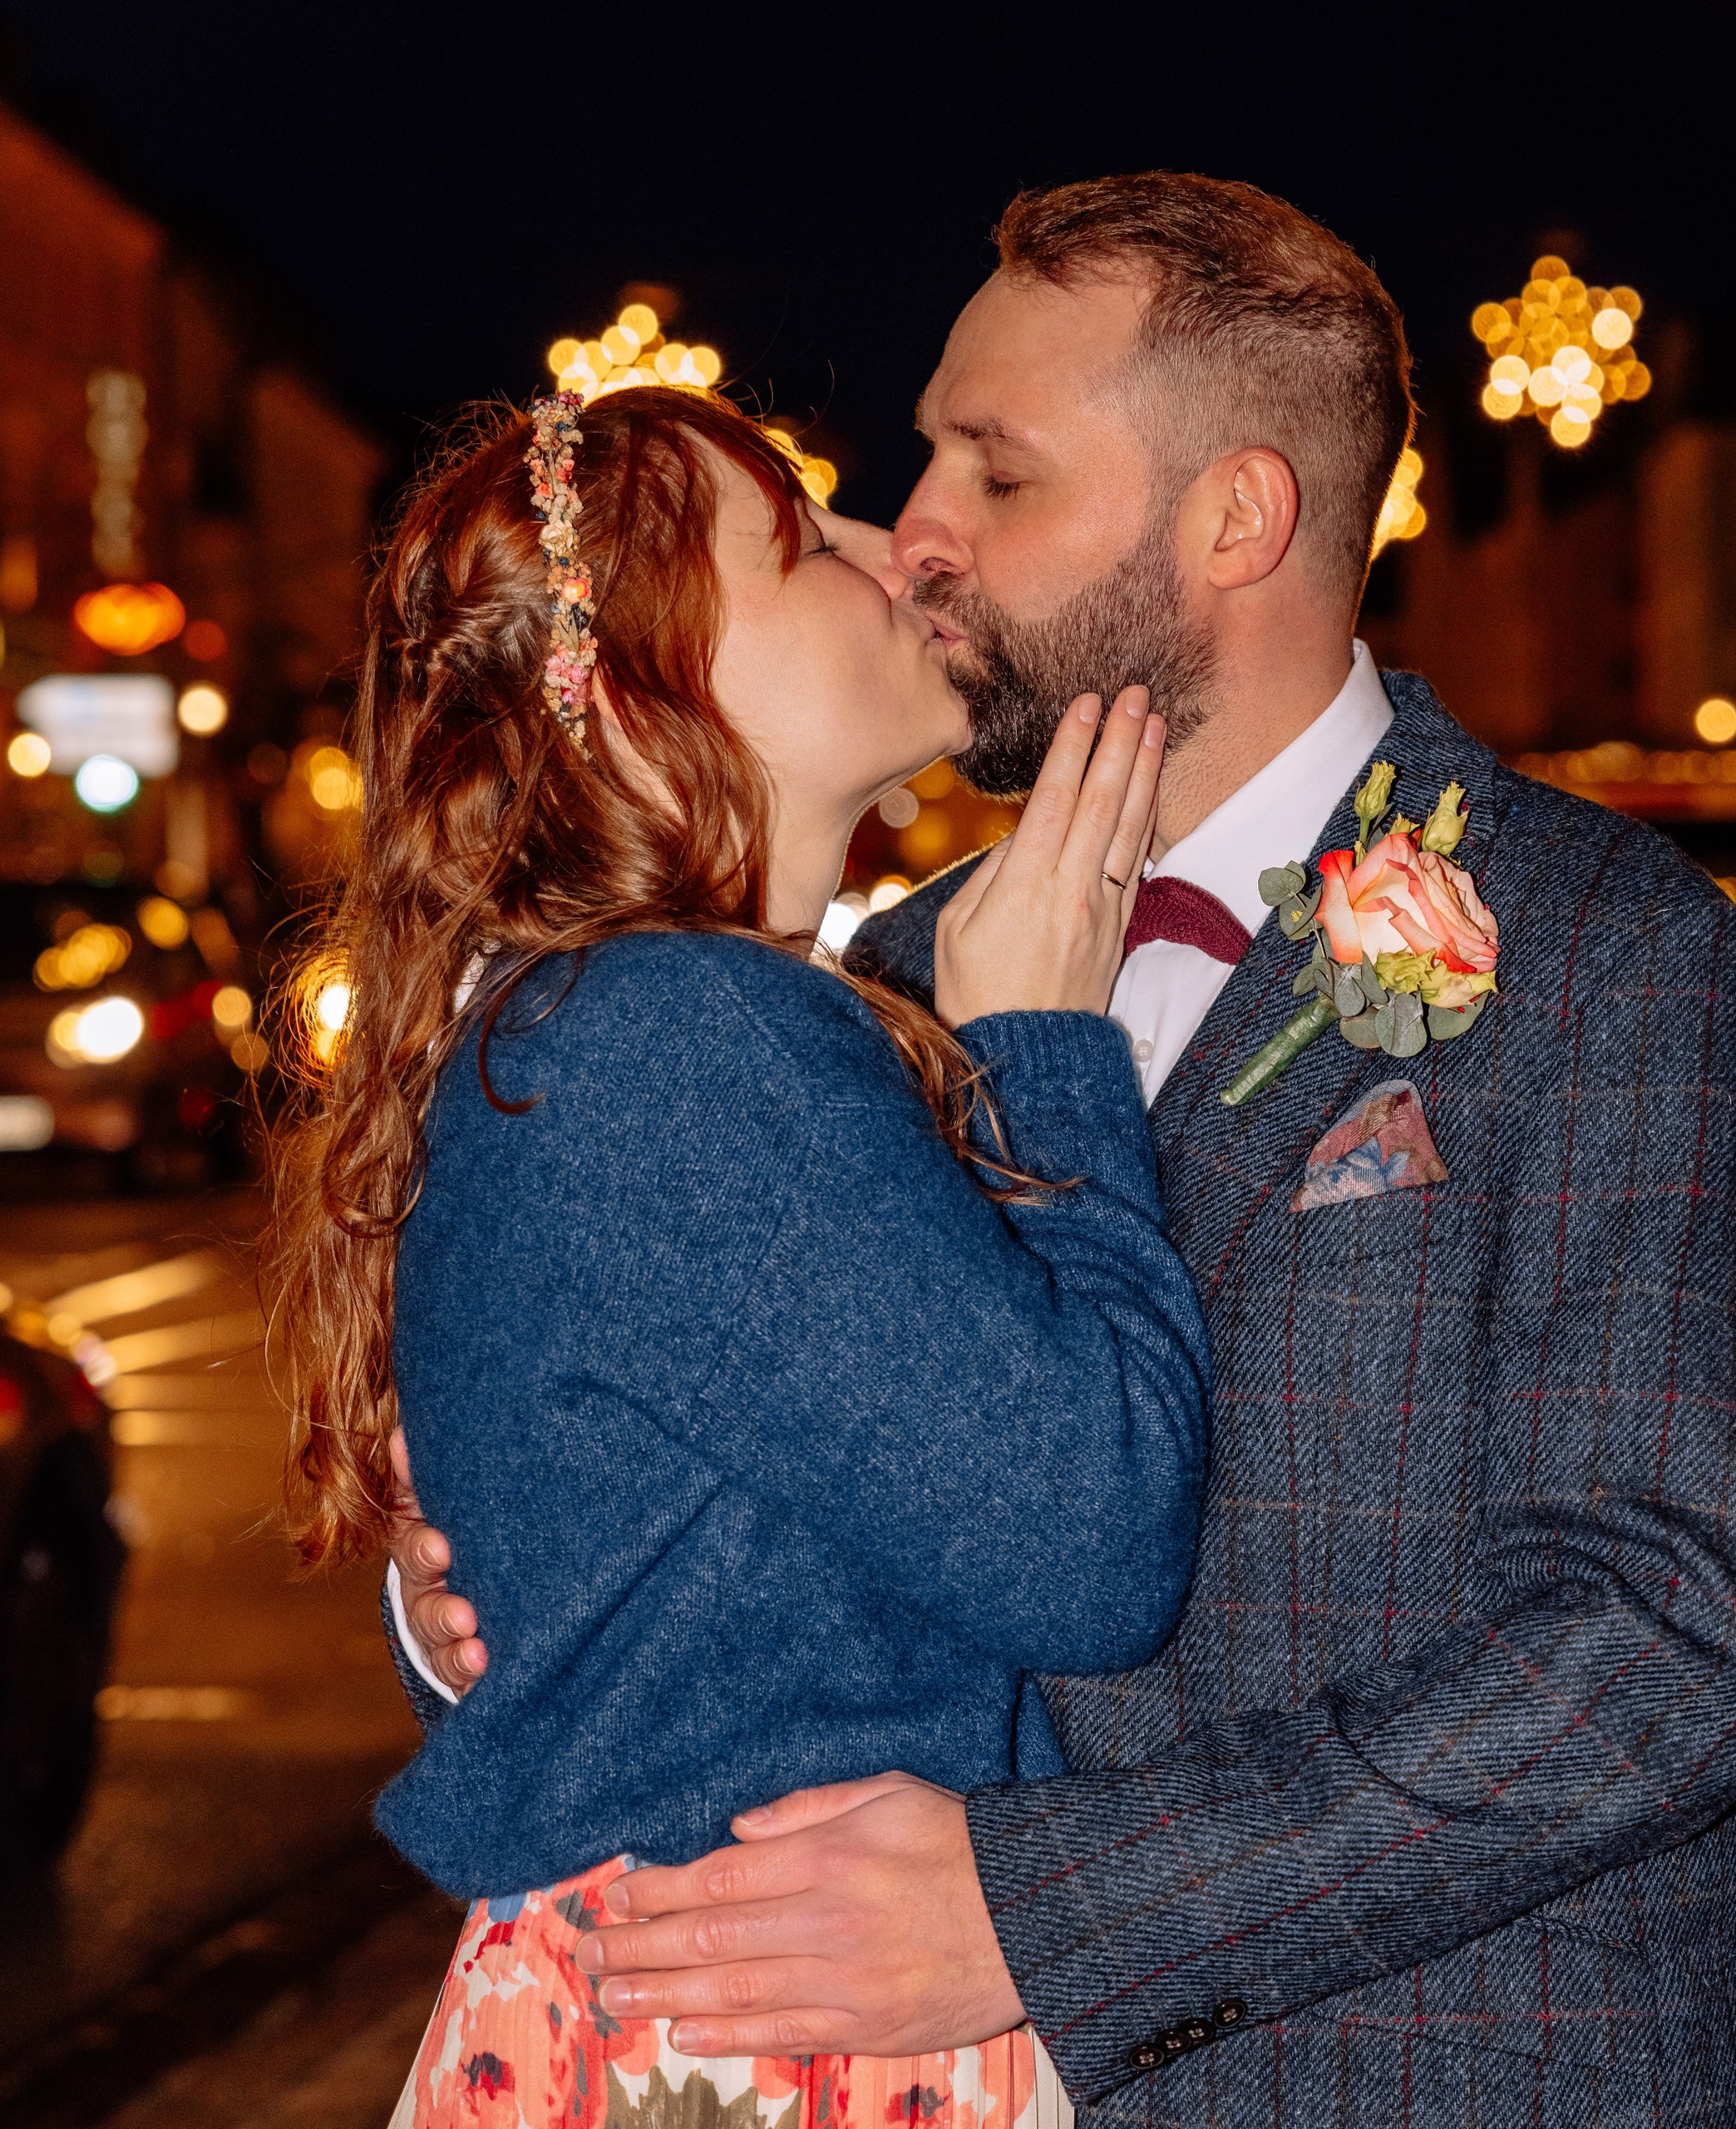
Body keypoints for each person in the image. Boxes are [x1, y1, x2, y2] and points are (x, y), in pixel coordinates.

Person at [394, 173, 1736, 2128]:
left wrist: (1045, 1909)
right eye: (920, 461)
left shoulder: (1612, 955)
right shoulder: (864, 986)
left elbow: (1670, 1642)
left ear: (1231, 517)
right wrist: (475, 1572)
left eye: (990, 474)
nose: (910, 535)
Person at [269, 385, 1215, 2128]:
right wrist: (1054, 1043)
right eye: (802, 538)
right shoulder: (672, 1031)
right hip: (774, 2028)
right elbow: (1092, 1543)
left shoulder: (608, 1018)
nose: (892, 552)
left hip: (726, 1995)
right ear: (641, 688)